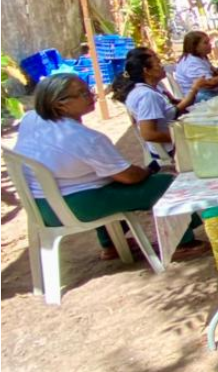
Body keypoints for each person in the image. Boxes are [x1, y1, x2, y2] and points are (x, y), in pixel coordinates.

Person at [14, 75, 207, 261]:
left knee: (101, 184)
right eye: (82, 93)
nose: (92, 96)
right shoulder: (83, 137)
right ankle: (182, 243)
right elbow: (129, 176)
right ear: (59, 104)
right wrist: (147, 172)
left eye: (88, 90)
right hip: (74, 207)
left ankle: (111, 244)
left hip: (41, 206)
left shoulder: (31, 118)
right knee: (163, 184)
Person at [111, 48, 204, 167]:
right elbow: (148, 134)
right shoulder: (147, 95)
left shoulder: (147, 89)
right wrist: (181, 137)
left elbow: (171, 110)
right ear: (147, 71)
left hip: (173, 143)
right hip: (171, 149)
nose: (162, 66)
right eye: (158, 64)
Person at [176, 31, 218, 102]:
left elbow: (211, 74)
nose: (210, 44)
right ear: (194, 46)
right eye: (205, 43)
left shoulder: (200, 57)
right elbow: (209, 84)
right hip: (198, 98)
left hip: (209, 92)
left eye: (209, 42)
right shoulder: (191, 63)